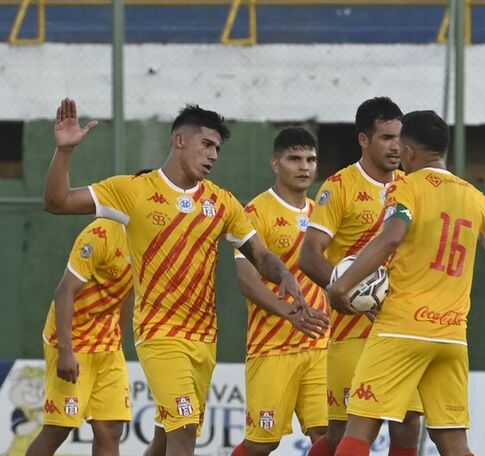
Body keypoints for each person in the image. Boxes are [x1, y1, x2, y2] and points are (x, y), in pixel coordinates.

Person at [43, 98, 328, 456]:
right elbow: (57, 201)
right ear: (179, 141)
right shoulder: (134, 190)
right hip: (159, 333)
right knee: (184, 428)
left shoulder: (222, 202)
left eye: (218, 149)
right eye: (206, 144)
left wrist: (283, 272)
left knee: (167, 435)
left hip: (205, 338)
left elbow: (260, 254)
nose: (213, 155)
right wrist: (64, 151)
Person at [326, 110, 485, 456]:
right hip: (451, 337)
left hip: (401, 329)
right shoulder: (474, 196)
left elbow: (392, 237)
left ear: (409, 151)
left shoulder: (405, 187)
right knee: (454, 442)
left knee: (359, 430)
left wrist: (341, 286)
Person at [299, 97, 423, 456]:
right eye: (386, 137)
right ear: (364, 140)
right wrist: (352, 294)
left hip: (401, 329)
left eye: (400, 137)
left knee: (407, 424)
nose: (396, 146)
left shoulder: (411, 187)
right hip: (351, 331)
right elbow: (310, 255)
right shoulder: (338, 187)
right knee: (343, 436)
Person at [231, 127, 329, 455]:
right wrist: (290, 314)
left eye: (311, 159)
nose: (304, 166)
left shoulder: (321, 214)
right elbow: (247, 280)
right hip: (272, 347)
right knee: (263, 443)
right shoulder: (255, 212)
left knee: (327, 436)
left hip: (319, 344)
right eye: (294, 159)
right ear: (276, 164)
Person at [26, 216, 134, 456]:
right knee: (59, 428)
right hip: (72, 341)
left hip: (109, 345)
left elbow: (126, 290)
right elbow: (64, 291)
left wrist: (119, 339)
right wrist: (65, 351)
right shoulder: (100, 234)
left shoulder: (151, 239)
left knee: (110, 428)